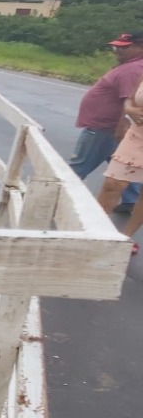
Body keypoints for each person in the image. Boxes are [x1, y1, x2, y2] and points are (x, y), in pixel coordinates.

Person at [71, 31, 143, 212]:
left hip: (105, 128)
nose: (117, 50)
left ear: (140, 47)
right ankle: (131, 199)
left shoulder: (133, 70)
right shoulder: (130, 66)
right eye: (115, 47)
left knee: (79, 163)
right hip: (109, 127)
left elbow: (129, 102)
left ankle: (53, 189)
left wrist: (121, 128)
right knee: (123, 163)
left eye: (124, 48)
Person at [97, 73, 143, 254]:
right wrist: (129, 110)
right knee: (112, 184)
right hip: (136, 135)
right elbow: (130, 100)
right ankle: (97, 232)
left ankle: (126, 237)